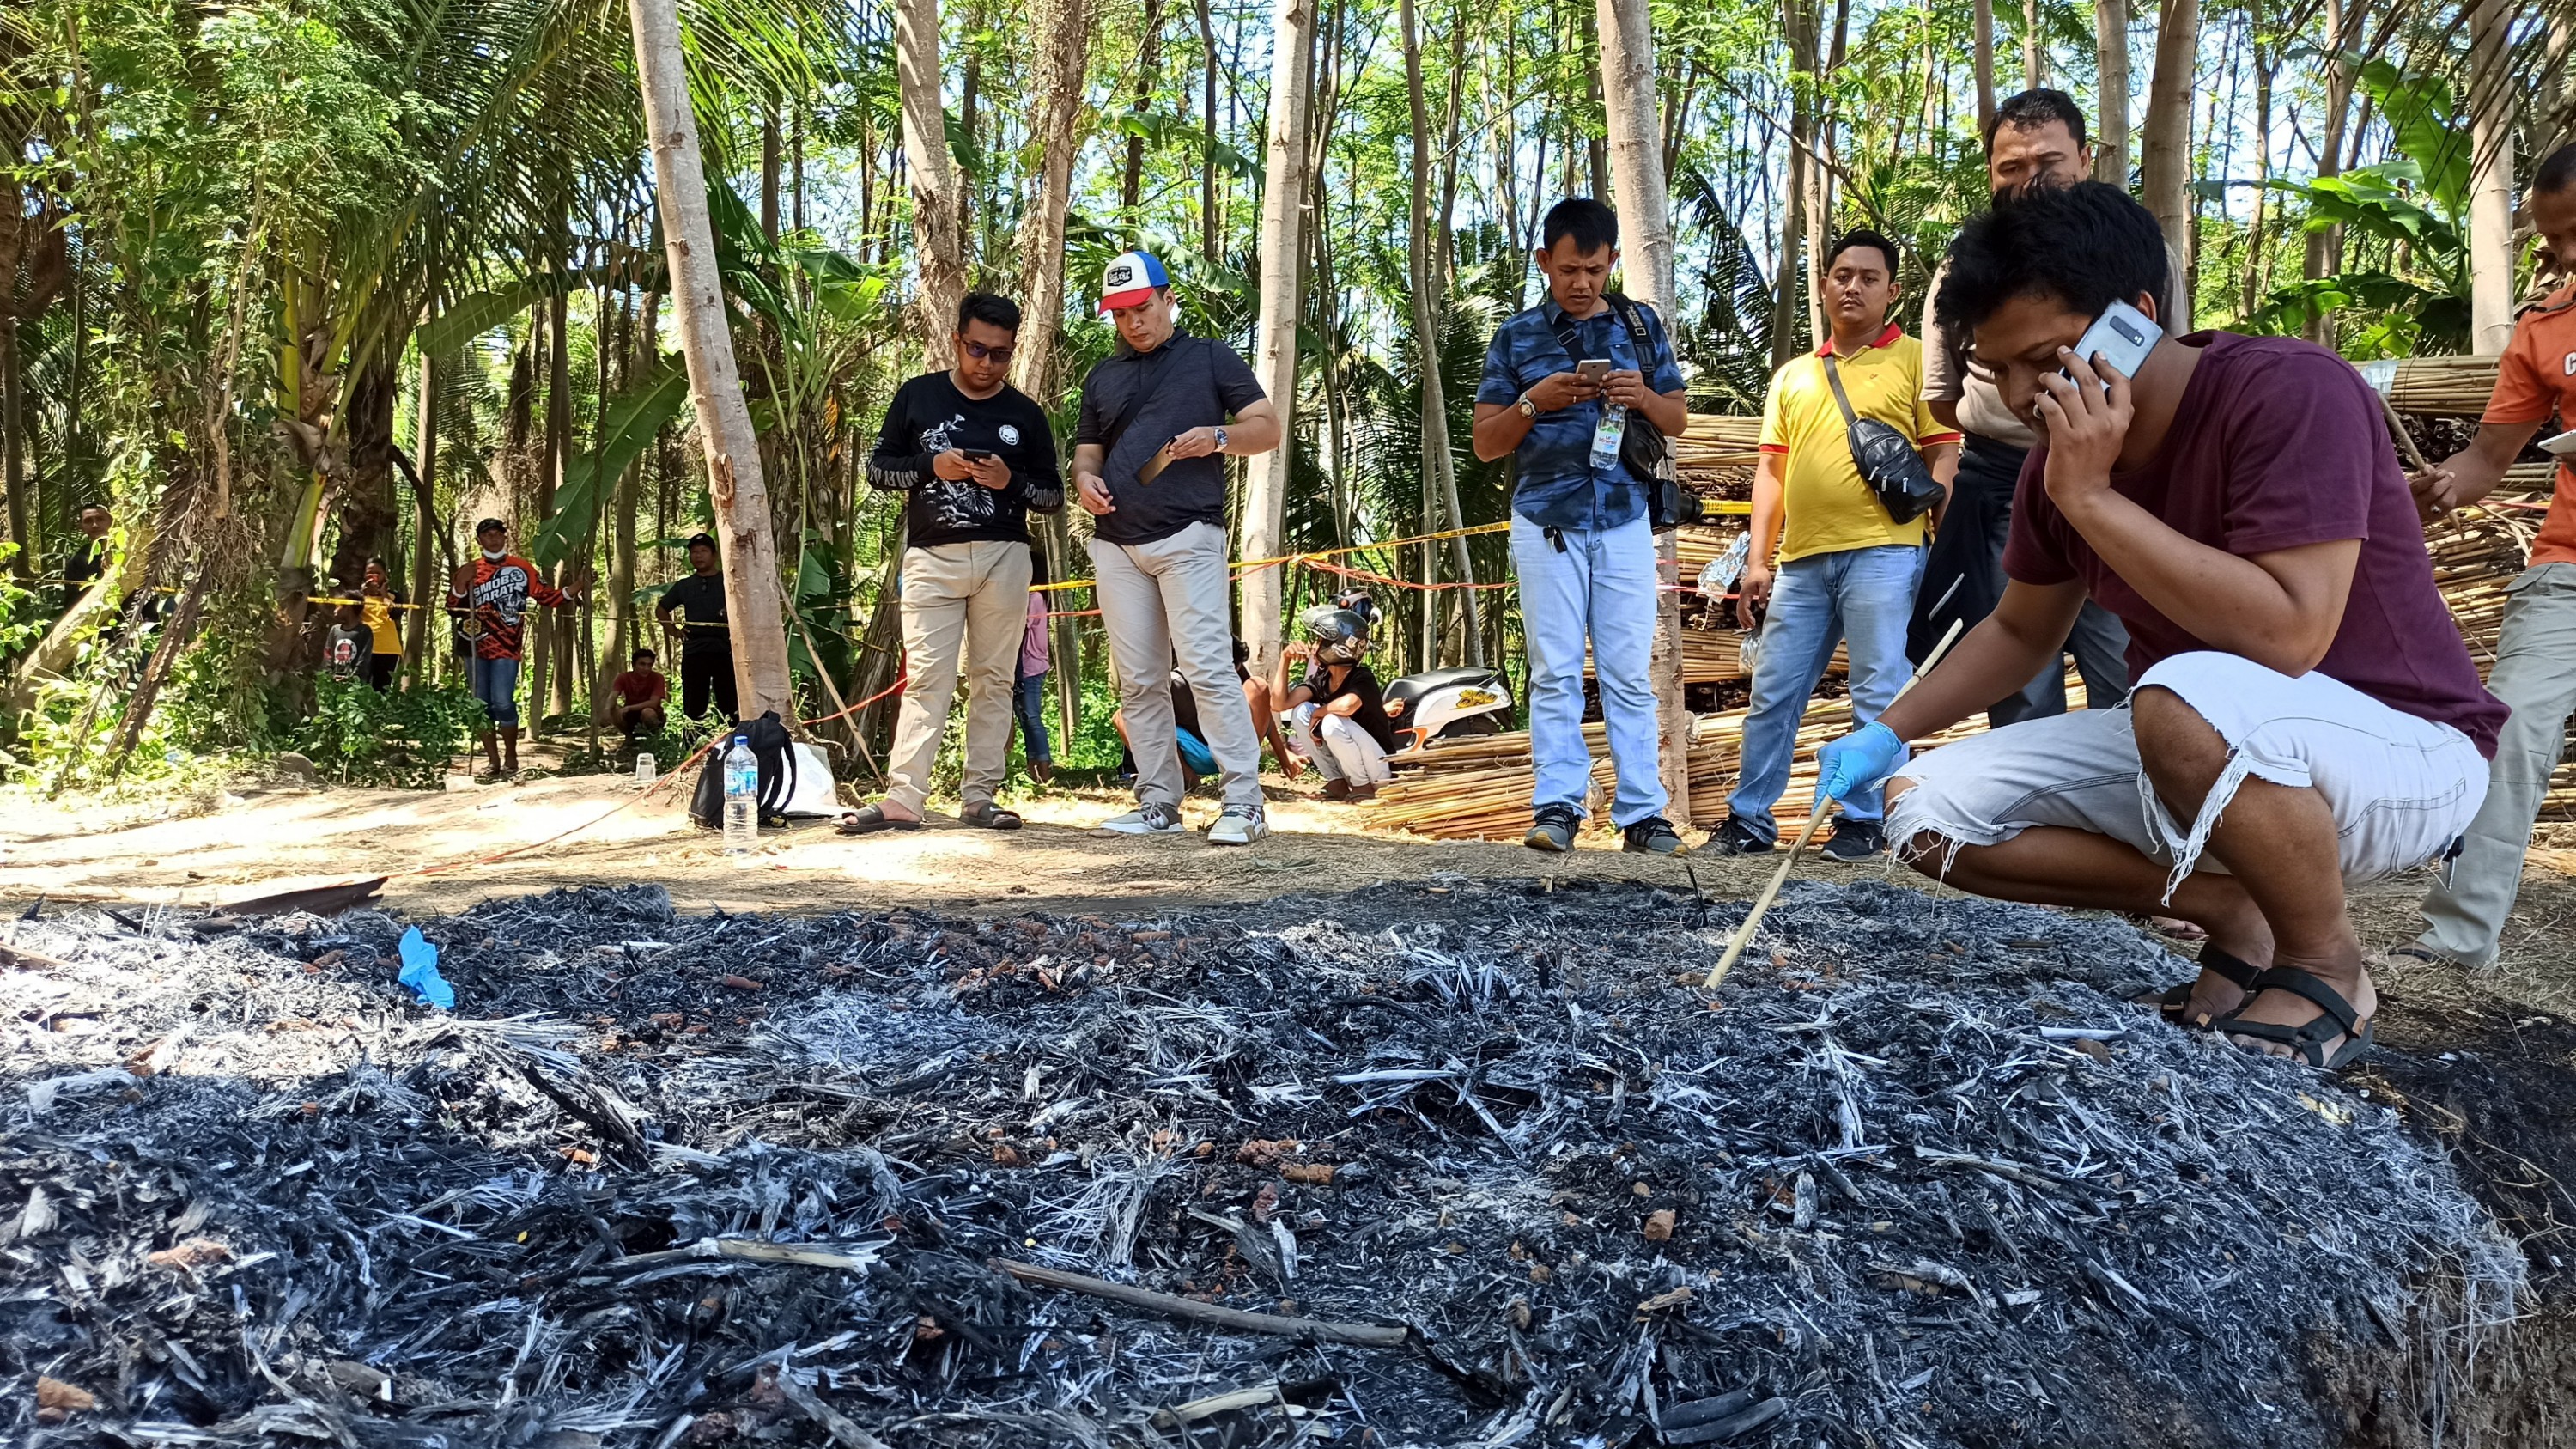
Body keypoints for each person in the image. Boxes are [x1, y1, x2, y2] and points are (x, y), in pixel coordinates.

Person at [1814, 182, 2503, 1071]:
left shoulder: (2291, 392)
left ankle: (2327, 960)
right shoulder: (2056, 466)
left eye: (2050, 357)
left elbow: (2292, 634)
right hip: (2209, 742)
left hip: (2407, 750)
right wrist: (1887, 733)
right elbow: (2021, 633)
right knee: (1925, 811)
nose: (2026, 396)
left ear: (2134, 319)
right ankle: (2233, 913)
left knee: (2177, 693)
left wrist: (2093, 498)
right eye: (1999, 370)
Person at [1706, 229, 1959, 862]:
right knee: (1773, 692)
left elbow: (1943, 453)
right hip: (1801, 561)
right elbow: (1772, 471)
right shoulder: (1793, 376)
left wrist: (1943, 537)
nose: (1853, 286)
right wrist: (1758, 560)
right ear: (1823, 285)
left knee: (1878, 692)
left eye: (1869, 277)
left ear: (1893, 291)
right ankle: (1749, 818)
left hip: (1888, 551)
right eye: (1842, 274)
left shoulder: (1914, 363)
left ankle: (1864, 819)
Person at [2398, 142, 2576, 971]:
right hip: (2567, 568)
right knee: (2509, 727)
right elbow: (2487, 461)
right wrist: (2427, 489)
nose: (2564, 258)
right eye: (2552, 241)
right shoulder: (2545, 329)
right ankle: (2459, 938)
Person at [1469, 197, 1692, 856]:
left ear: (1613, 262)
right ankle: (1558, 806)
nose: (1582, 283)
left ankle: (1644, 812)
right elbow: (1485, 443)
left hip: (1625, 518)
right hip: (1545, 522)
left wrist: (1639, 397)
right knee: (1556, 669)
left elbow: (1676, 417)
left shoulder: (1641, 325)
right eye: (1569, 269)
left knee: (1626, 671)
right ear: (1544, 262)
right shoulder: (1516, 337)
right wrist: (1536, 402)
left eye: (1595, 269)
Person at [1915, 88, 2141, 726]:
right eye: (2011, 168)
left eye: (2049, 163)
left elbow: (2167, 371)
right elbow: (1941, 399)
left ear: (2085, 158)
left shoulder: (2134, 252)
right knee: (2018, 681)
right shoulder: (1964, 267)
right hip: (2002, 485)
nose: (2030, 183)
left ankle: (2136, 807)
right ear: (1990, 174)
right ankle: (2029, 818)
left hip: (2119, 480)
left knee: (2126, 664)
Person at [1072, 251, 1282, 845]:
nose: (1133, 323)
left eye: (1141, 308)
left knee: (1209, 670)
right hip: (1116, 543)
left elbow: (1266, 426)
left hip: (1189, 535)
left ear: (1167, 299)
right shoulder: (1102, 376)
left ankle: (1245, 801)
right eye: (1119, 315)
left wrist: (1217, 437)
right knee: (1139, 679)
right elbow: (1088, 452)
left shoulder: (1209, 356)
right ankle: (1158, 802)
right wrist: (1084, 481)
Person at [844, 291, 1066, 834]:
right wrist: (931, 464)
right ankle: (903, 800)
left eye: (1000, 353)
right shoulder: (917, 397)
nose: (986, 363)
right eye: (976, 349)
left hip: (1005, 557)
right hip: (931, 556)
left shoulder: (1025, 414)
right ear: (956, 341)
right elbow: (877, 470)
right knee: (925, 679)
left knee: (994, 678)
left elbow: (1054, 496)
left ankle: (980, 797)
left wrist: (1009, 480)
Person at [450, 517, 586, 778]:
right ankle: (493, 760)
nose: (493, 539)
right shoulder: (469, 569)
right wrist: (459, 585)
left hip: (506, 646)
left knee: (502, 702)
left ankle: (511, 756)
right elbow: (452, 607)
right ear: (479, 540)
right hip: (474, 646)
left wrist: (578, 585)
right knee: (480, 705)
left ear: (505, 537)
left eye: (498, 534)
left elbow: (548, 597)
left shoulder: (521, 568)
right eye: (487, 535)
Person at [1273, 606, 1398, 800]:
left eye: (1320, 641)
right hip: (1355, 765)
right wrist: (1285, 660)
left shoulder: (1362, 677)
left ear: (1337, 645)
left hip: (1379, 767)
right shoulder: (1322, 680)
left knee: (1331, 721)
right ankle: (1337, 782)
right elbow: (1279, 704)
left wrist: (1319, 712)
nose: (1315, 646)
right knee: (1301, 712)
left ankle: (1362, 787)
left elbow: (1348, 705)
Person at [655, 533, 738, 723]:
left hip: (726, 650)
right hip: (695, 651)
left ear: (714, 555)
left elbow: (746, 606)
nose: (698, 556)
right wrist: (674, 631)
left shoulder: (729, 581)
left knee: (730, 702)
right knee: (694, 703)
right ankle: (692, 746)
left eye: (703, 551)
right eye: (694, 552)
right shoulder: (684, 585)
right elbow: (661, 609)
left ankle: (734, 742)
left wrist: (732, 612)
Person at [1016, 545, 1056, 786]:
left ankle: (1044, 767)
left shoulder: (1035, 597)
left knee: (1032, 716)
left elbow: (1021, 625)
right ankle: (1033, 768)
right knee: (1024, 717)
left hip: (1032, 664)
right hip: (1024, 665)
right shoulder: (1031, 595)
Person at [359, 558, 404, 691]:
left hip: (388, 649)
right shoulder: (357, 596)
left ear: (385, 575)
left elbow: (396, 614)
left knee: (382, 689)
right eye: (370, 573)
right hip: (364, 648)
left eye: (378, 573)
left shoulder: (394, 596)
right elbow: (349, 614)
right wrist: (363, 593)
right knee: (360, 687)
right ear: (363, 574)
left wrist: (384, 595)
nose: (374, 576)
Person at [611, 648, 669, 740]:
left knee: (647, 712)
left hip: (652, 715)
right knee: (613, 709)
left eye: (649, 665)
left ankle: (653, 739)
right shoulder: (623, 677)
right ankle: (629, 738)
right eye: (642, 664)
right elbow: (613, 695)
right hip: (630, 716)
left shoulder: (658, 678)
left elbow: (653, 703)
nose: (646, 668)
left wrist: (629, 708)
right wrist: (610, 708)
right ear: (633, 664)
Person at [323, 604, 371, 682]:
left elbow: (364, 656)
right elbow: (328, 653)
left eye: (337, 607)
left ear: (348, 608)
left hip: (355, 684)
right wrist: (329, 674)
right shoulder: (335, 630)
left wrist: (352, 677)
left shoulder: (364, 631)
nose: (334, 611)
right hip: (333, 680)